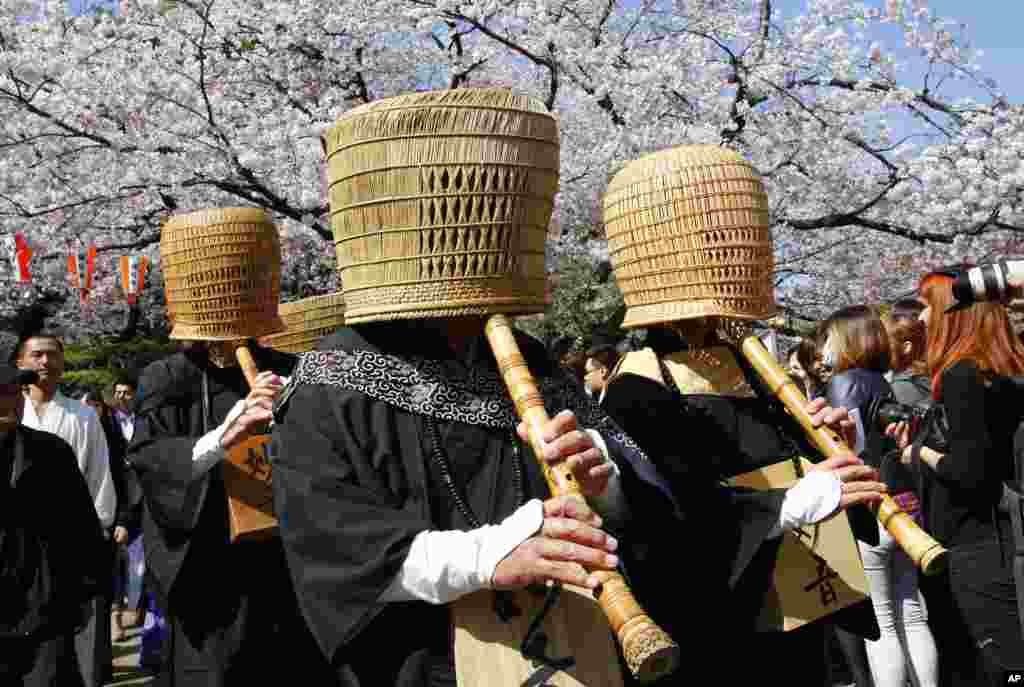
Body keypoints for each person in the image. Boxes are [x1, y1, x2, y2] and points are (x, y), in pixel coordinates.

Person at [598, 144, 887, 687]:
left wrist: (835, 452)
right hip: (721, 627)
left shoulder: (753, 368)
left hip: (799, 604)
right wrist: (792, 503)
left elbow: (807, 478)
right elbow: (665, 517)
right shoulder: (636, 385)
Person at [129, 207, 335, 686]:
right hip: (212, 571)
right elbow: (151, 462)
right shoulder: (169, 378)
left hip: (285, 563)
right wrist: (225, 436)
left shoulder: (290, 369)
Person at [888, 266, 1024, 685]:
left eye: (928, 307)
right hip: (1003, 538)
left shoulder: (962, 375)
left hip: (978, 543)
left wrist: (919, 452)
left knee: (995, 666)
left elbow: (970, 473)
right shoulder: (1005, 371)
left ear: (955, 311)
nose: (922, 319)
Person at [822, 305, 938, 687]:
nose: (823, 349)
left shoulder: (843, 383)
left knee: (882, 619)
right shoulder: (882, 381)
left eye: (828, 339)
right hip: (903, 502)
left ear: (846, 340)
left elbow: (844, 451)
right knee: (912, 612)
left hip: (870, 508)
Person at [16, 332, 116, 687]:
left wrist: (100, 528)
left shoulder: (83, 416)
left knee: (69, 633)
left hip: (70, 538)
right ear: (20, 364)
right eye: (37, 355)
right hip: (17, 544)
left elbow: (99, 475)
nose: (45, 362)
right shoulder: (12, 412)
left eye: (53, 355)